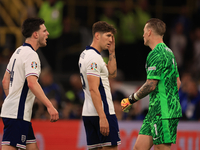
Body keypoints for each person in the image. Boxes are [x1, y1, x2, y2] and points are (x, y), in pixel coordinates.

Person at [121, 18, 182, 150]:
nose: (142, 35)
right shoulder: (169, 52)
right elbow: (178, 82)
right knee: (138, 148)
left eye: (143, 31)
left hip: (162, 113)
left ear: (149, 32)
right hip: (156, 111)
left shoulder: (156, 54)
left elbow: (150, 85)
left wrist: (130, 100)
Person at [0, 17, 59, 150]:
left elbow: (5, 80)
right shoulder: (31, 55)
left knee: (33, 147)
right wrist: (49, 106)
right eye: (44, 30)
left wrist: (11, 99)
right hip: (17, 115)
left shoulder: (18, 52)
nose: (48, 33)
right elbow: (32, 83)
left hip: (17, 113)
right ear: (35, 34)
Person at [78, 21, 121, 149]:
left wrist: (112, 52)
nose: (111, 39)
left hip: (89, 113)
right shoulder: (94, 58)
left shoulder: (86, 54)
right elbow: (93, 89)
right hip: (102, 113)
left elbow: (111, 73)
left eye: (112, 36)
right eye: (108, 35)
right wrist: (103, 117)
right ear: (97, 36)